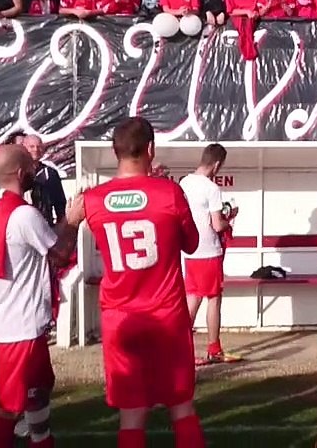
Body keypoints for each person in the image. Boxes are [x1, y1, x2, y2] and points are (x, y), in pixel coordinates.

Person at [82, 117, 206, 448]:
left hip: (120, 316)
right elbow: (191, 244)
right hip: (166, 314)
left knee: (132, 414)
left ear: (114, 151)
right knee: (181, 406)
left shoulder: (94, 200)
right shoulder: (169, 192)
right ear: (151, 149)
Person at [0, 144, 83, 448]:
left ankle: (41, 439)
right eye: (31, 166)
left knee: (38, 390)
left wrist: (65, 220)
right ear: (21, 172)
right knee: (11, 405)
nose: (35, 172)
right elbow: (61, 253)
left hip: (18, 316)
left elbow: (41, 238)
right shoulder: (23, 214)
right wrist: (74, 219)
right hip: (20, 322)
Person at [178, 144, 242, 365]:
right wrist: (230, 217)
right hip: (208, 251)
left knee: (192, 298)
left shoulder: (184, 182)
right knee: (213, 299)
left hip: (191, 250)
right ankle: (214, 348)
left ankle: (180, 348)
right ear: (216, 164)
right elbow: (217, 224)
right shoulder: (211, 188)